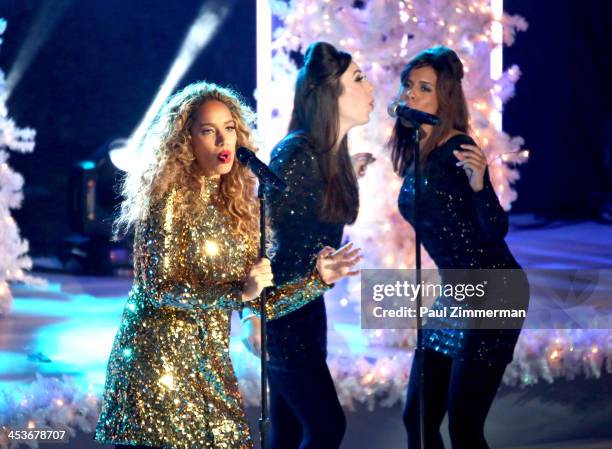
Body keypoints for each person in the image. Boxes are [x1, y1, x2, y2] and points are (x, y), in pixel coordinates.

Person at [94, 81, 358, 449]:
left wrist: (317, 279)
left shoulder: (236, 208)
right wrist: (238, 291)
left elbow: (255, 301)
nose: (223, 141)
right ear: (185, 141)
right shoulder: (167, 201)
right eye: (208, 131)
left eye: (229, 129)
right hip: (158, 368)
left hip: (210, 365)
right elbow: (159, 288)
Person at [390, 46, 529, 449]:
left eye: (424, 88)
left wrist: (480, 185)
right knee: (417, 419)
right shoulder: (420, 149)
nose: (411, 95)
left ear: (444, 96)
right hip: (457, 294)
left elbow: (494, 229)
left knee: (464, 427)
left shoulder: (457, 149)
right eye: (409, 85)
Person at [241, 41, 375, 449]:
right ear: (330, 92)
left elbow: (306, 227)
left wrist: (344, 173)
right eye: (358, 79)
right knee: (326, 427)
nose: (371, 88)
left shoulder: (327, 157)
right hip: (281, 320)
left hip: (308, 312)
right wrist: (250, 314)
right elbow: (256, 236)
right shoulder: (296, 154)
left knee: (291, 430)